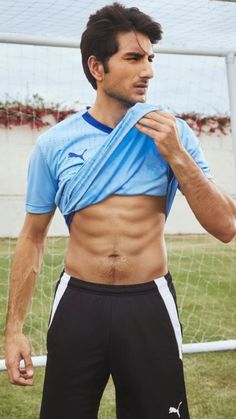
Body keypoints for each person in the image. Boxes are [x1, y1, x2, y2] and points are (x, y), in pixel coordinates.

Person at [4, 2, 236, 419]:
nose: (147, 70)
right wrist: (14, 330)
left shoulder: (173, 132)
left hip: (149, 302)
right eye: (133, 58)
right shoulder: (56, 143)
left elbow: (226, 226)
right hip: (79, 301)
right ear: (97, 66)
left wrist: (177, 156)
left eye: (150, 58)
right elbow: (32, 237)